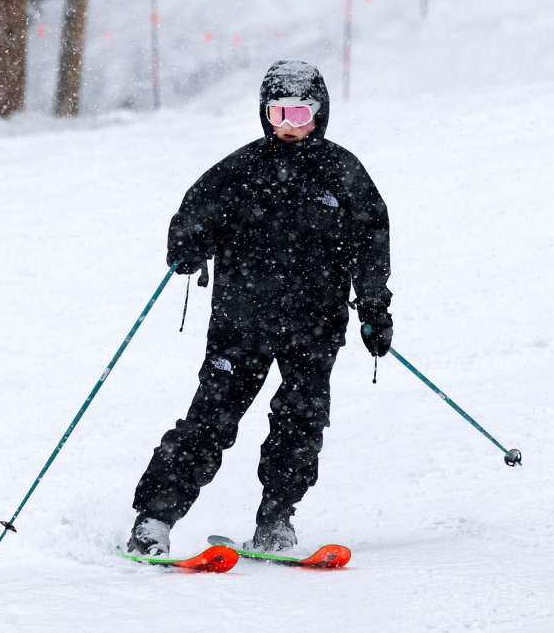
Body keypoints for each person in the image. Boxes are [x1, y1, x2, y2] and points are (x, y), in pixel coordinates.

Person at [127, 60, 394, 556]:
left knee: (300, 422)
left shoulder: (343, 172)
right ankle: (154, 519)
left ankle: (276, 520)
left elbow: (371, 243)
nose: (289, 125)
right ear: (264, 113)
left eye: (300, 112)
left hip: (315, 326)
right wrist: (187, 246)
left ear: (320, 112)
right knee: (211, 419)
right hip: (240, 323)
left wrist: (375, 307)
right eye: (278, 113)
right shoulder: (242, 169)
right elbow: (192, 214)